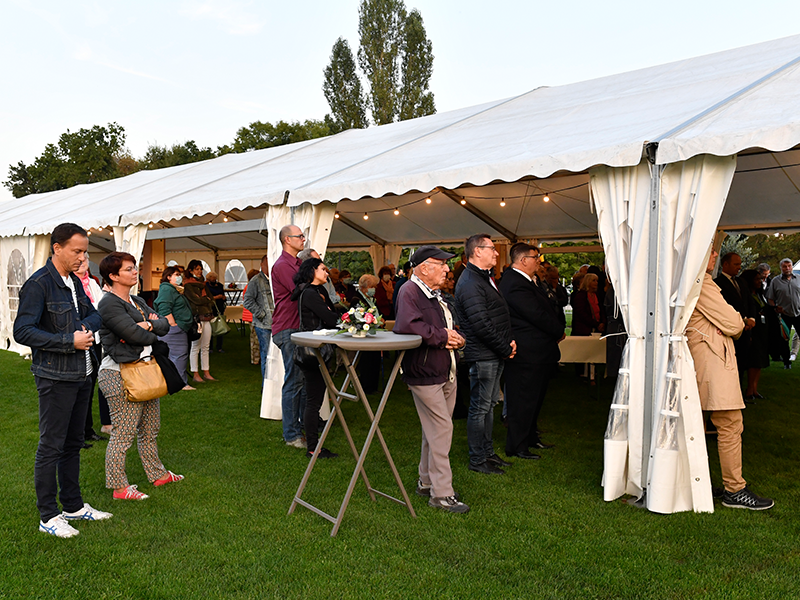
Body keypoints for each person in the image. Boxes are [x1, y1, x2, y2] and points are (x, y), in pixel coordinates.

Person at [13, 223, 112, 537]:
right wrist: (68, 340)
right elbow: (23, 331)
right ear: (57, 247)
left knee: (73, 443)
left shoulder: (74, 282)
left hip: (83, 373)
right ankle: (48, 516)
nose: (82, 257)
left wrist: (82, 329)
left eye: (85, 251)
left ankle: (73, 506)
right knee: (51, 446)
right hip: (55, 376)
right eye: (77, 250)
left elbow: (95, 314)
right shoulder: (39, 284)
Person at [686, 248, 773, 510]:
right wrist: (735, 322)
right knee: (729, 422)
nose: (714, 255)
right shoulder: (701, 282)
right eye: (710, 251)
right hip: (711, 358)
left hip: (702, 357)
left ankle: (695, 480)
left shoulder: (691, 280)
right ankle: (735, 489)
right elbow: (734, 324)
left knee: (695, 423)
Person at [97, 252, 184, 501]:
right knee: (123, 433)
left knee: (150, 429)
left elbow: (165, 325)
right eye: (128, 269)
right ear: (113, 276)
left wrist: (146, 324)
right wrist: (149, 325)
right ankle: (119, 487)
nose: (135, 272)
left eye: (135, 268)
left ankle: (158, 474)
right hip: (120, 373)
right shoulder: (109, 303)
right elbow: (135, 336)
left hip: (145, 371)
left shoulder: (136, 300)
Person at [394, 246, 469, 513]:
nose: (448, 269)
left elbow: (439, 326)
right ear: (424, 268)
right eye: (442, 264)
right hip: (425, 373)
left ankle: (426, 482)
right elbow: (407, 325)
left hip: (443, 370)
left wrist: (455, 335)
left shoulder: (433, 293)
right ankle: (442, 493)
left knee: (434, 430)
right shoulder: (410, 291)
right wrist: (442, 336)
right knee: (441, 431)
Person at [455, 233, 516, 475]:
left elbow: (493, 318)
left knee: (488, 406)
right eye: (492, 248)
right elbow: (480, 324)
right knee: (480, 408)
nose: (497, 252)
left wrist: (506, 344)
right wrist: (504, 347)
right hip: (483, 354)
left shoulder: (483, 278)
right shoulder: (470, 282)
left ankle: (487, 454)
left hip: (492, 352)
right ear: (477, 251)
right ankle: (477, 459)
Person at [499, 243, 564, 459]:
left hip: (537, 351)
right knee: (522, 400)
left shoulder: (528, 281)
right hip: (526, 352)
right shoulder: (514, 282)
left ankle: (529, 437)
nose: (539, 261)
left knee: (533, 399)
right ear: (523, 260)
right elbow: (536, 314)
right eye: (536, 257)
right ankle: (517, 445)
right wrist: (557, 331)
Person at [292, 257, 341, 459]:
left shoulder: (318, 292)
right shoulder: (310, 293)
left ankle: (313, 445)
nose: (326, 273)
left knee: (315, 398)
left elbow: (333, 313)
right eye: (323, 269)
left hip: (319, 348)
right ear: (312, 271)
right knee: (313, 400)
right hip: (312, 352)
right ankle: (313, 448)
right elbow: (331, 318)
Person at [271, 224, 308, 449]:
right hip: (288, 328)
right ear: (287, 240)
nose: (303, 239)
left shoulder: (297, 263)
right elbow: (302, 288)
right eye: (300, 236)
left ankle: (301, 427)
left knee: (301, 380)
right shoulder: (283, 265)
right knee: (294, 381)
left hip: (298, 327)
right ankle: (291, 434)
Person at [76, 254, 111, 441]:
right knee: (80, 387)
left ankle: (87, 430)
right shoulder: (70, 285)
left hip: (94, 340)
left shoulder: (92, 283)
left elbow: (100, 308)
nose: (83, 263)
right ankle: (78, 431)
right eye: (79, 261)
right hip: (78, 339)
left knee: (91, 385)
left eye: (86, 260)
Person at [154, 266, 196, 391]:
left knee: (175, 356)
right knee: (179, 355)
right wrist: (173, 324)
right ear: (168, 277)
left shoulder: (173, 290)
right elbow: (164, 307)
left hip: (177, 328)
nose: (180, 277)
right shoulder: (167, 290)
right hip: (174, 329)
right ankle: (181, 383)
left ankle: (173, 382)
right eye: (177, 274)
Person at [714, 253, 753, 377]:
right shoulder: (717, 283)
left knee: (743, 363)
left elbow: (749, 301)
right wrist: (741, 321)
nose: (739, 267)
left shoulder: (741, 281)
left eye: (740, 264)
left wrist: (751, 318)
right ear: (725, 264)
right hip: (730, 331)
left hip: (745, 332)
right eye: (736, 264)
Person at [243, 255, 275, 383]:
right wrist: (261, 314)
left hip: (277, 324)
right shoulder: (256, 280)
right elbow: (247, 301)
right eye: (267, 264)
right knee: (267, 356)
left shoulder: (275, 279)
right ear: (262, 265)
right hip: (263, 325)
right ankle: (266, 386)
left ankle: (275, 386)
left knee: (277, 357)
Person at [183, 259, 216, 383]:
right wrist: (205, 299)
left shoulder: (203, 284)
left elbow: (211, 298)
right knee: (195, 346)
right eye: (197, 269)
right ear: (191, 270)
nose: (199, 271)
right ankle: (195, 372)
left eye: (200, 269)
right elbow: (195, 300)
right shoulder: (188, 284)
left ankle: (206, 371)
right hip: (197, 317)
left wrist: (204, 299)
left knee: (205, 346)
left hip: (206, 316)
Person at [740, 269, 770, 401]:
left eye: (760, 279)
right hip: (753, 331)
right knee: (753, 360)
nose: (760, 281)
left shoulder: (759, 294)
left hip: (762, 330)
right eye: (757, 279)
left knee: (760, 361)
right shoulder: (746, 295)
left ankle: (755, 389)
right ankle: (749, 390)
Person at [766, 258, 800, 369]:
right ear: (781, 268)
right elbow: (770, 298)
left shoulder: (798, 279)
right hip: (784, 315)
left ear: (792, 266)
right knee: (784, 340)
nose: (787, 268)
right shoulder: (775, 281)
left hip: (799, 313)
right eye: (785, 266)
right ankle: (787, 362)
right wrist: (775, 308)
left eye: (789, 266)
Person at [242, 268, 261, 366]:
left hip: (251, 316)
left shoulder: (248, 286)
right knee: (255, 339)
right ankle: (255, 359)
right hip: (252, 316)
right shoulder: (251, 287)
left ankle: (256, 358)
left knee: (254, 339)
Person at [205, 271, 227, 353]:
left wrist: (223, 297)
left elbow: (223, 294)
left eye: (215, 279)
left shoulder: (220, 285)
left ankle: (219, 347)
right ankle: (210, 347)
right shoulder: (206, 287)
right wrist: (217, 297)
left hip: (220, 308)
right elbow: (207, 298)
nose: (214, 280)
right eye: (212, 279)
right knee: (210, 328)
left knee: (220, 327)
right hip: (211, 308)